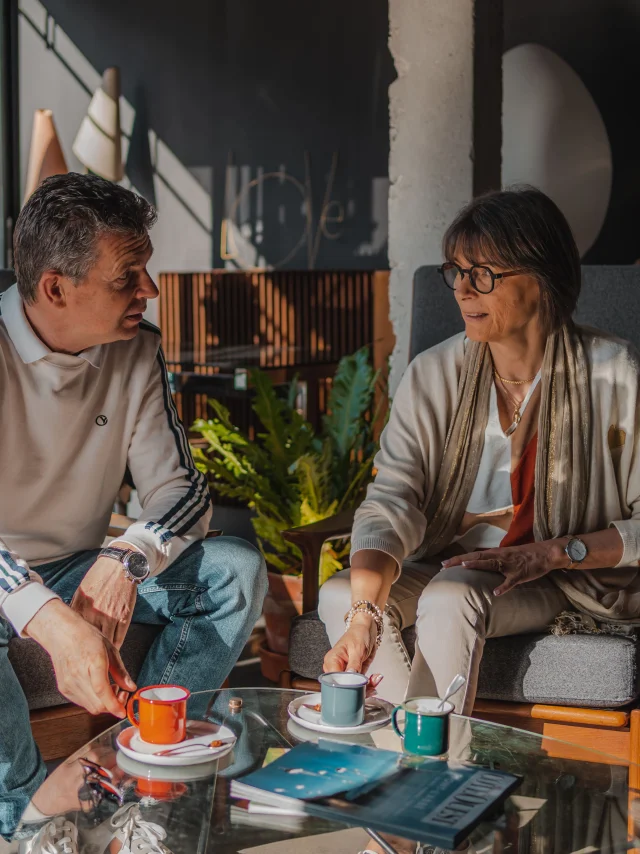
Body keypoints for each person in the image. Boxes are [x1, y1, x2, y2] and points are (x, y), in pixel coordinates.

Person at [0, 173, 267, 841]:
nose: (149, 290)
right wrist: (54, 623)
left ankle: (143, 773)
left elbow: (181, 490)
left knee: (232, 570)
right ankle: (22, 815)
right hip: (9, 582)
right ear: (56, 287)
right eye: (130, 276)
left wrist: (127, 555)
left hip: (78, 564)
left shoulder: (136, 348)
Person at [320, 186, 640, 719]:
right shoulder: (433, 373)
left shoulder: (616, 373)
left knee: (451, 596)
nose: (463, 289)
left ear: (542, 279)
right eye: (456, 271)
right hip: (447, 559)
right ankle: (422, 772)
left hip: (558, 576)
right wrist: (363, 617)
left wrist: (552, 552)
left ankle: (417, 776)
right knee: (341, 597)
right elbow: (390, 501)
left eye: (484, 274)